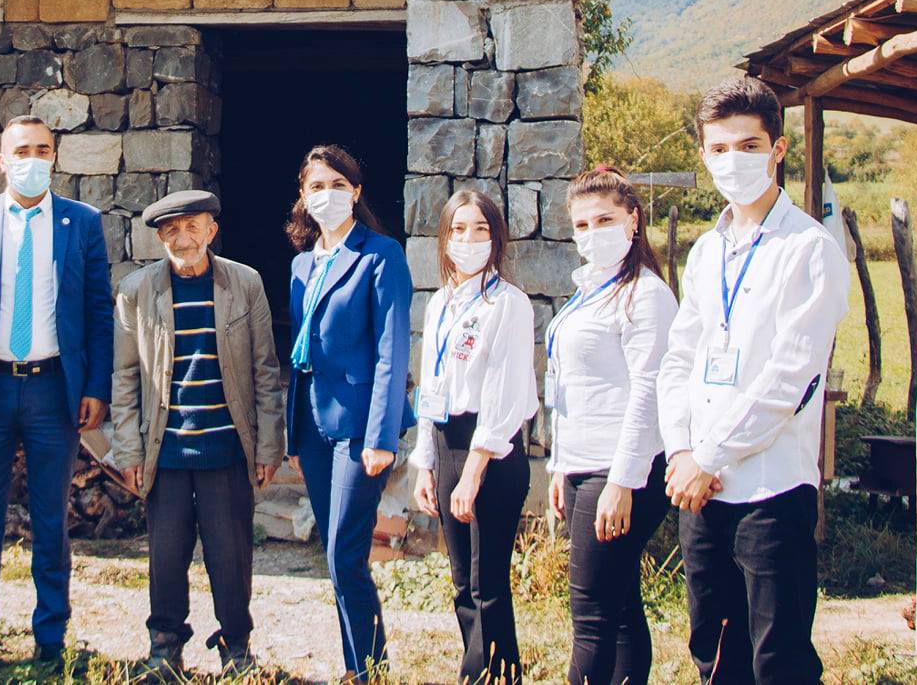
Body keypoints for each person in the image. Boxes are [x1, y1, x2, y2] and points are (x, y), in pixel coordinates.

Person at [659, 78, 850, 685]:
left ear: (778, 150)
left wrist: (709, 456)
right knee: (714, 656)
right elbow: (679, 359)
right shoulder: (706, 252)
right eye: (719, 149)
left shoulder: (809, 250)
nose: (732, 161)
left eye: (748, 146)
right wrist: (681, 451)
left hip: (770, 491)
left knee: (778, 662)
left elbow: (790, 380)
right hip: (702, 493)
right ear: (703, 155)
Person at [0, 115, 114, 673]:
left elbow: (99, 312)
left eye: (42, 150)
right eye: (22, 150)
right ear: (1, 159)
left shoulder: (82, 222)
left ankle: (50, 637)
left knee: (50, 520)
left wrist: (96, 387)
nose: (32, 159)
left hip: (52, 390)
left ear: (54, 157)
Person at [109, 189, 285, 678]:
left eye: (193, 227)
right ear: (160, 238)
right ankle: (165, 648)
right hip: (165, 452)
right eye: (172, 230)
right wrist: (128, 450)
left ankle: (237, 648)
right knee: (166, 558)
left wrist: (269, 444)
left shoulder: (245, 283)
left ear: (212, 231)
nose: (183, 238)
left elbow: (266, 369)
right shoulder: (136, 291)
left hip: (226, 448)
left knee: (230, 557)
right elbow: (124, 377)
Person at [284, 143, 414, 682]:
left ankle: (369, 672)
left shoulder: (380, 255)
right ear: (303, 196)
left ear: (356, 192)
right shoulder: (301, 264)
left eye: (338, 185)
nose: (328, 195)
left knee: (345, 553)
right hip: (313, 428)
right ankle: (358, 666)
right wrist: (293, 435)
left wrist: (381, 436)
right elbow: (300, 351)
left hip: (359, 428)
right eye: (317, 186)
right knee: (336, 554)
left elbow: (391, 350)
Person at [547, 167, 677, 685]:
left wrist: (622, 481)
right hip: (584, 464)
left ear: (633, 220)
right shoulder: (590, 289)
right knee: (619, 606)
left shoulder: (645, 294)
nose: (592, 233)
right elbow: (576, 388)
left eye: (604, 220)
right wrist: (560, 467)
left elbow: (648, 391)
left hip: (620, 469)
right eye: (581, 224)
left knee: (591, 615)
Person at [410, 189, 539, 684]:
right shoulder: (440, 302)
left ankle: (490, 675)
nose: (469, 239)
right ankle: (483, 668)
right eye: (459, 229)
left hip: (490, 448)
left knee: (489, 583)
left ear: (496, 237)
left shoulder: (509, 304)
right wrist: (425, 462)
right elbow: (430, 385)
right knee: (462, 580)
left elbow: (505, 392)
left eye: (480, 229)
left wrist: (473, 472)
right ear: (444, 239)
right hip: (447, 441)